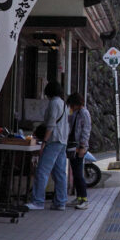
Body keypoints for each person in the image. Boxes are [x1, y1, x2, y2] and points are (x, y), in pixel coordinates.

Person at [27, 81, 69, 210]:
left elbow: (50, 125)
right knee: (60, 173)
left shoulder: (54, 103)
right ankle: (60, 202)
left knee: (42, 171)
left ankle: (38, 201)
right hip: (63, 141)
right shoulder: (63, 103)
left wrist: (44, 141)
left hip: (53, 140)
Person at [67, 92, 92, 210]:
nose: (71, 107)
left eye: (72, 104)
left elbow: (86, 130)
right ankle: (79, 197)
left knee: (78, 173)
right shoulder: (75, 113)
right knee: (75, 172)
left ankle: (84, 199)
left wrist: (83, 146)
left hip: (80, 146)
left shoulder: (84, 113)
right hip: (73, 145)